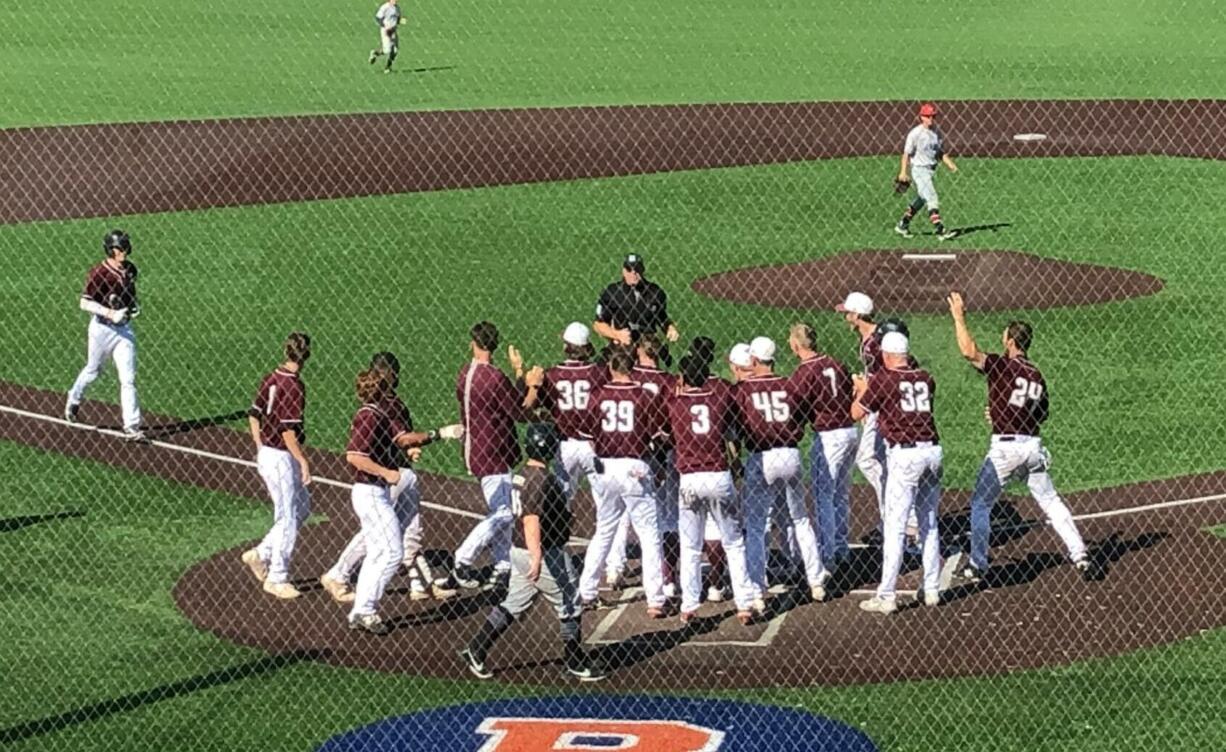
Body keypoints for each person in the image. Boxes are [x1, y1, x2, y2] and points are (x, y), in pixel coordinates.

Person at [946, 292, 1097, 582]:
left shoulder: (1002, 366)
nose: (1002, 342)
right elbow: (1040, 415)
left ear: (1011, 342)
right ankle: (1079, 553)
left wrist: (958, 316)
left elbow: (969, 351)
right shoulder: (1037, 375)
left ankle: (978, 564)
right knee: (1050, 501)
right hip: (1033, 448)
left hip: (1005, 451)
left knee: (980, 503)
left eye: (1004, 338)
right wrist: (1003, 414)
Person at [459, 423, 606, 682]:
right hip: (543, 553)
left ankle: (477, 648)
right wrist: (537, 556)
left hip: (518, 551)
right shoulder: (541, 479)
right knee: (570, 600)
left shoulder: (522, 473)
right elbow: (531, 519)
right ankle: (575, 661)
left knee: (514, 603)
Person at [320, 352, 464, 604]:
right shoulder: (382, 406)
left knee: (408, 529)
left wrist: (410, 449)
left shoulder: (389, 403)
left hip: (399, 475)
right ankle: (339, 574)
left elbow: (401, 440)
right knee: (381, 532)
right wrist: (440, 433)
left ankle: (420, 583)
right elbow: (401, 438)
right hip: (390, 477)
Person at [444, 321, 544, 592]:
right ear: (496, 345)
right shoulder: (495, 378)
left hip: (474, 448)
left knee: (500, 507)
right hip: (495, 451)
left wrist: (519, 373)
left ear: (472, 343)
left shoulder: (464, 373)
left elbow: (504, 402)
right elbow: (520, 412)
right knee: (505, 511)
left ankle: (502, 567)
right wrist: (533, 386)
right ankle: (463, 559)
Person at [733, 336, 830, 606]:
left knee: (755, 525)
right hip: (790, 454)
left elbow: (735, 427)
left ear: (753, 360)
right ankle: (816, 580)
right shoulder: (789, 385)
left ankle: (757, 590)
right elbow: (801, 418)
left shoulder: (743, 389)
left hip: (760, 457)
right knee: (800, 519)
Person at [852, 332, 944, 614]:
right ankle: (931, 590)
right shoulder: (926, 378)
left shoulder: (883, 379)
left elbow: (857, 412)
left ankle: (887, 595)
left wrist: (860, 388)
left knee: (895, 525)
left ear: (887, 354)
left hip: (905, 456)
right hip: (932, 452)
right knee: (929, 521)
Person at [575, 348, 669, 617]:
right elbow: (658, 436)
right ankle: (656, 600)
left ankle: (588, 591)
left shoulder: (597, 396)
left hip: (606, 467)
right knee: (649, 535)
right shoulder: (644, 396)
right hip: (635, 467)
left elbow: (589, 439)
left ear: (611, 367)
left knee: (604, 530)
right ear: (632, 367)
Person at [668, 355, 756, 625]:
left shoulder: (674, 403)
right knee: (733, 542)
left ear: (683, 378)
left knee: (691, 545)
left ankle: (689, 605)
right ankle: (744, 605)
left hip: (690, 480)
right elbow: (734, 423)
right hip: (718, 476)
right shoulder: (719, 399)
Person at [241, 333, 313, 600]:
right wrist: (302, 460)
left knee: (302, 508)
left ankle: (261, 554)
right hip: (281, 456)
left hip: (269, 454)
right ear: (307, 355)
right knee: (287, 517)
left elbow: (253, 414)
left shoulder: (271, 377)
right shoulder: (294, 386)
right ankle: (277, 577)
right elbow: (287, 432)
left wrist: (260, 446)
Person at [340, 368, 407, 634]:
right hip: (370, 491)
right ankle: (365, 609)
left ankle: (361, 609)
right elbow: (354, 456)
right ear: (380, 391)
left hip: (370, 492)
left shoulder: (375, 415)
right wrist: (386, 472)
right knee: (393, 553)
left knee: (377, 552)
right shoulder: (369, 416)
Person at [787, 322, 858, 570]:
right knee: (840, 493)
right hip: (850, 431)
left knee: (823, 496)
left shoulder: (803, 373)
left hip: (829, 437)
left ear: (796, 344)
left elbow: (793, 407)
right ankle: (840, 547)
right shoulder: (837, 364)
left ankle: (828, 555)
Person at [65, 230, 144, 440]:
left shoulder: (130, 270)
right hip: (101, 329)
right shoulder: (99, 273)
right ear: (111, 250)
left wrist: (132, 309)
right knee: (93, 370)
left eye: (126, 246)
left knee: (128, 379)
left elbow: (129, 298)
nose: (124, 251)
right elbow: (84, 302)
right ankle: (74, 397)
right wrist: (110, 313)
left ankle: (132, 426)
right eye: (121, 247)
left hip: (123, 332)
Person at [542, 322, 606, 501]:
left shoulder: (552, 375)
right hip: (593, 445)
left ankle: (559, 526)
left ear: (566, 347)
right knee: (604, 501)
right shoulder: (598, 373)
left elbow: (545, 406)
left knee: (561, 498)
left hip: (565, 445)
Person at [592, 253, 680, 363]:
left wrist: (670, 327)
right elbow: (598, 324)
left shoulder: (655, 292)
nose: (633, 273)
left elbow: (662, 318)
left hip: (647, 348)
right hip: (622, 347)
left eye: (637, 269)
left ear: (643, 270)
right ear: (623, 271)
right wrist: (617, 334)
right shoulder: (612, 292)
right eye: (629, 269)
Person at [895, 102, 960, 240]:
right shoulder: (915, 134)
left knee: (921, 199)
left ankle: (902, 225)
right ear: (922, 117)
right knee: (932, 197)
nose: (931, 118)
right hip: (919, 170)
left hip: (930, 170)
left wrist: (950, 164)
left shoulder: (937, 132)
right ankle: (941, 230)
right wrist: (903, 172)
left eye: (933, 116)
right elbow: (906, 154)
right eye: (928, 116)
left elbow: (940, 152)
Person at [368, 0, 402, 73]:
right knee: (387, 50)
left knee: (395, 50)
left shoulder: (397, 8)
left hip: (393, 31)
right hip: (385, 31)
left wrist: (400, 21)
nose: (396, 1)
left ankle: (388, 67)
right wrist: (385, 26)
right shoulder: (385, 7)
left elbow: (398, 18)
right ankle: (375, 53)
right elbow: (378, 18)